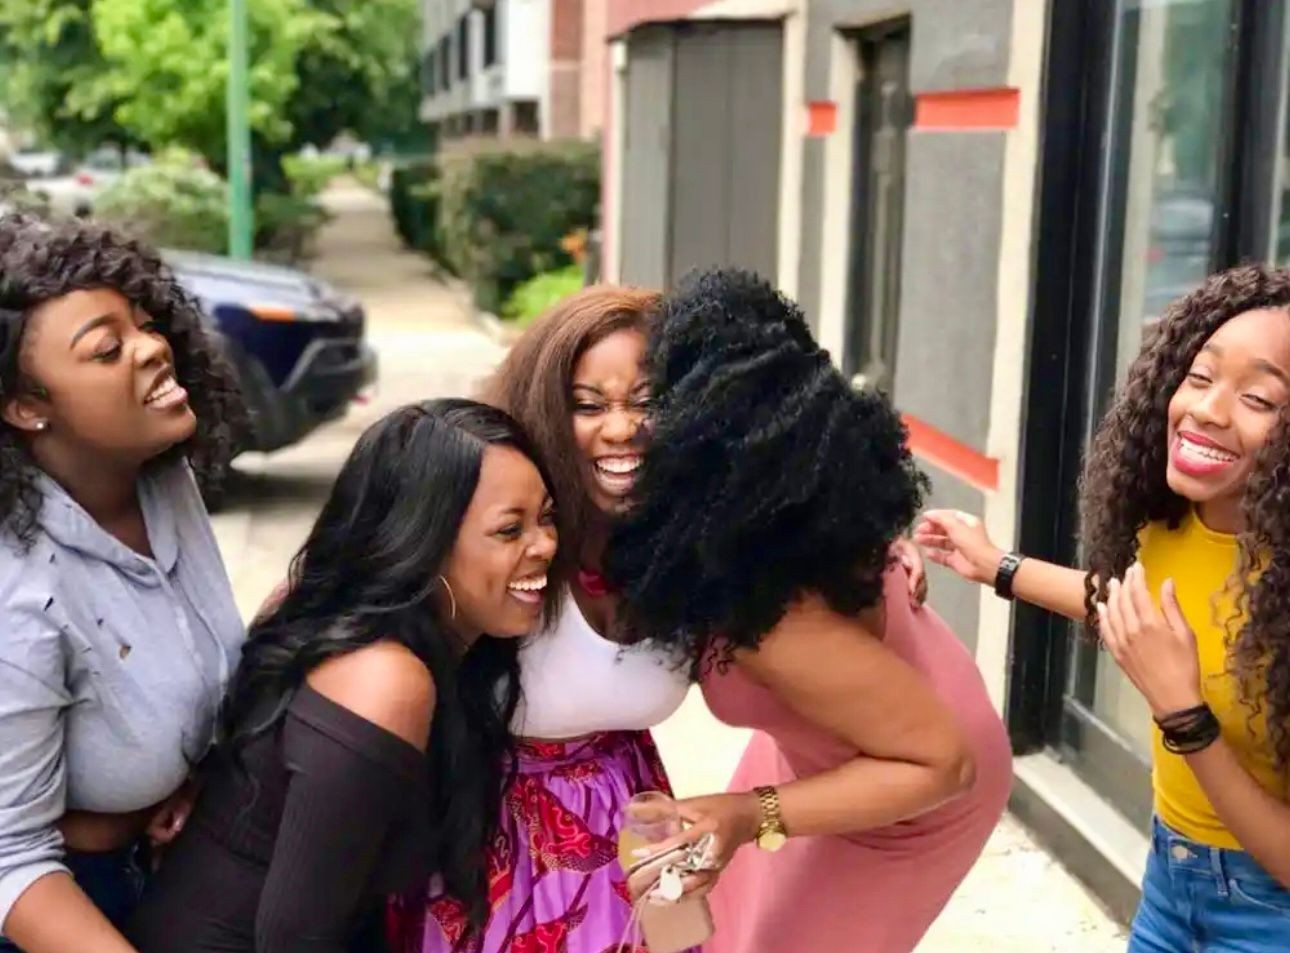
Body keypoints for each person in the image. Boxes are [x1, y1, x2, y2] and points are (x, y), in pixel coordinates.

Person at [607, 268, 1013, 953]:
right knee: (727, 932)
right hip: (827, 739)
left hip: (915, 780)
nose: (624, 423)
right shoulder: (775, 508)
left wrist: (749, 813)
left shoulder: (777, 615)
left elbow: (944, 764)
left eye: (646, 402)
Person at [914, 264, 1290, 951]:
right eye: (1199, 378)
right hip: (1169, 881)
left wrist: (1185, 716)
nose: (1206, 410)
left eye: (1259, 399)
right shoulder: (1173, 521)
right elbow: (1119, 604)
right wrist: (997, 564)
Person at [128, 399, 559, 951]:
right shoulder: (382, 679)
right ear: (422, 545)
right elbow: (297, 940)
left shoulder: (396, 636)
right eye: (509, 530)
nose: (544, 544)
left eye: (546, 516)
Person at [390, 287, 697, 953]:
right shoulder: (483, 519)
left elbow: (805, 536)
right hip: (493, 843)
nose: (621, 428)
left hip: (643, 819)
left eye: (646, 401)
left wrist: (877, 555)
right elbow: (328, 609)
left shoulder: (695, 535)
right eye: (587, 405)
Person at [0, 215, 246, 952]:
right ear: (25, 407)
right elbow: (9, 861)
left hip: (156, 862)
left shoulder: (159, 475)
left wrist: (177, 771)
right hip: (59, 913)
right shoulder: (20, 592)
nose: (151, 347)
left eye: (143, 322)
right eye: (107, 349)